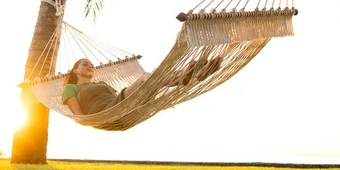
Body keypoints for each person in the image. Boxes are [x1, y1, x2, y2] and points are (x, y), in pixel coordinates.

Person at [62, 56, 222, 116]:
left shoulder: (102, 84)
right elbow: (79, 115)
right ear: (75, 70)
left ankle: (189, 74)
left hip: (123, 105)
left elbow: (117, 97)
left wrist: (159, 101)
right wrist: (96, 120)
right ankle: (187, 75)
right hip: (105, 112)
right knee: (146, 78)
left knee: (150, 82)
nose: (90, 66)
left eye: (91, 64)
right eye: (84, 64)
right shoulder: (71, 88)